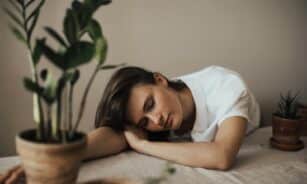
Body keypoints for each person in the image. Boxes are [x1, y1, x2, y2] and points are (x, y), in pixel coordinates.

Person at [0, 65, 260, 183]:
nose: (156, 120)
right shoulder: (154, 120)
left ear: (160, 80)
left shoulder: (226, 85)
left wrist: (144, 146)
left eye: (150, 105)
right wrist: (50, 159)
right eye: (144, 121)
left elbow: (222, 156)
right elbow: (114, 135)